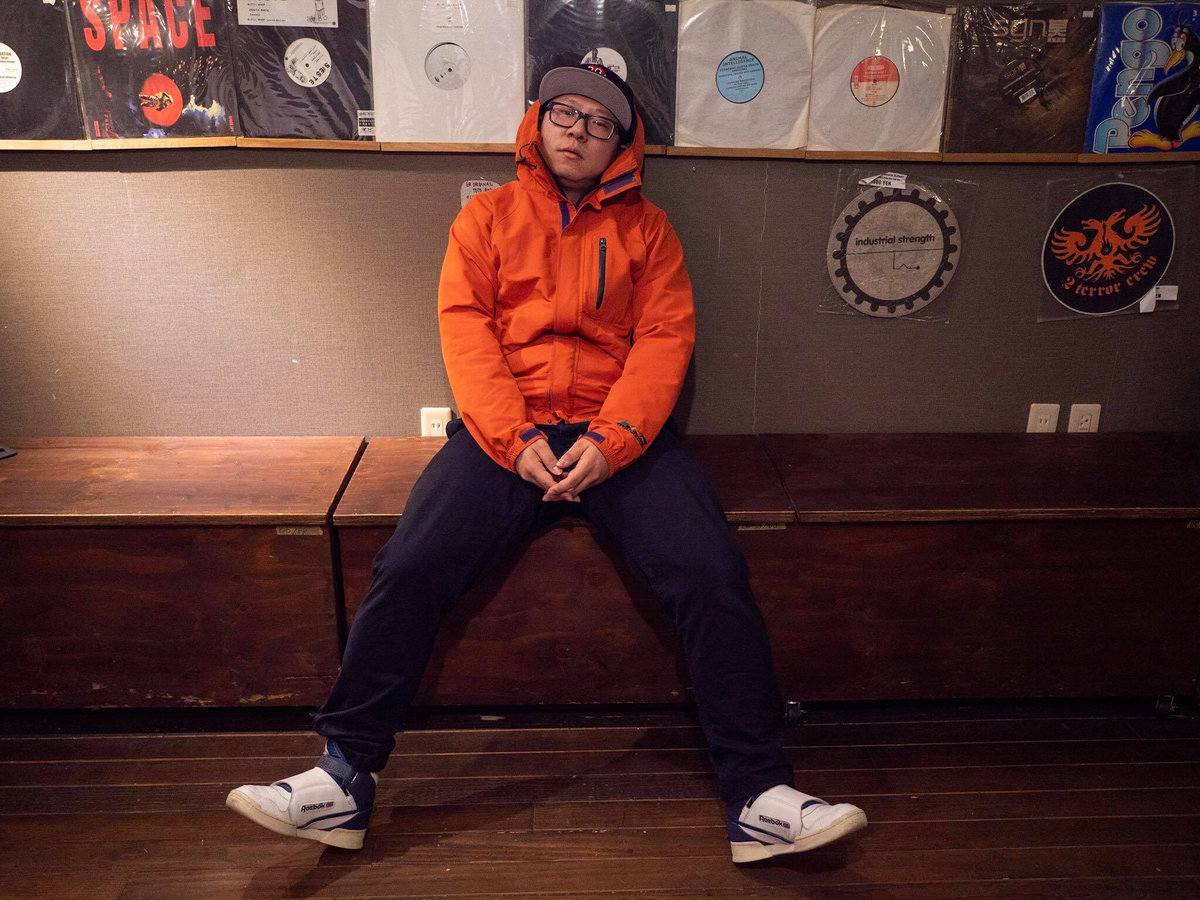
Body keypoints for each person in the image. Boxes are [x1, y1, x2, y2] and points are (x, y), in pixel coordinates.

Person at [226, 64, 866, 864]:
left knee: (712, 571)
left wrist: (612, 440)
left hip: (620, 435)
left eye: (600, 123)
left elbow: (664, 341)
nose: (579, 131)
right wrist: (515, 439)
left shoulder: (650, 231)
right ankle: (344, 775)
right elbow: (466, 333)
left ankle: (759, 796)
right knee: (410, 564)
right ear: (539, 120)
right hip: (506, 435)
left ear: (620, 146)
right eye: (566, 112)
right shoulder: (485, 218)